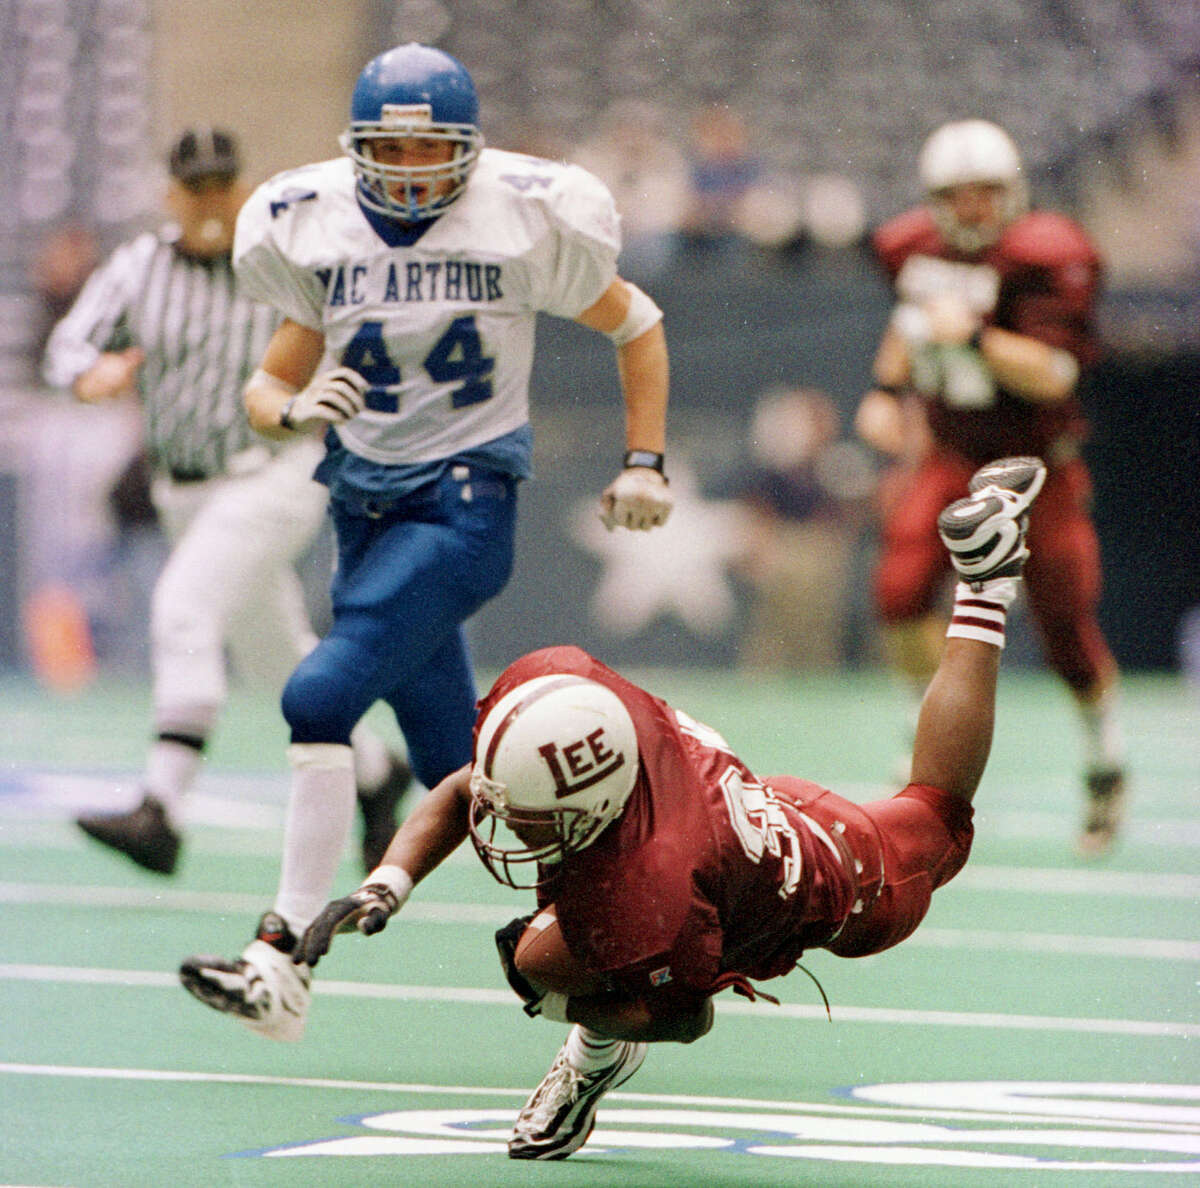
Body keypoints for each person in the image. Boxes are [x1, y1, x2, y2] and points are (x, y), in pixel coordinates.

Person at [290, 456, 1044, 1161]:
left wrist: (572, 1010)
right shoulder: (561, 691)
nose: (506, 823)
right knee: (575, 939)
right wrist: (387, 882)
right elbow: (466, 785)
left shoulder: (656, 885)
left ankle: (985, 586)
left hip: (836, 880)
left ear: (594, 813)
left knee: (938, 813)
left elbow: (687, 1019)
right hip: (744, 813)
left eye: (532, 818)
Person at [177, 44, 674, 1038]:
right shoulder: (314, 226)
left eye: (426, 146)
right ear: (355, 147)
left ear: (468, 149)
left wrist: (644, 461)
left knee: (318, 694)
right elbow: (267, 386)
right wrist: (292, 406)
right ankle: (605, 937)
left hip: (463, 502)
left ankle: (281, 957)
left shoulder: (520, 216)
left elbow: (638, 320)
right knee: (458, 756)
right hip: (360, 506)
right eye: (387, 146)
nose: (406, 166)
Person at [43, 127, 410, 877]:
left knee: (184, 608)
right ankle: (377, 772)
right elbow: (67, 345)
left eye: (222, 186)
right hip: (183, 488)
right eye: (196, 188)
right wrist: (91, 375)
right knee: (276, 661)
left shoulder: (273, 256)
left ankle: (162, 807)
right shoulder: (139, 266)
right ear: (172, 194)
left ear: (239, 189)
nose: (211, 202)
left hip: (271, 470)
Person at [853, 119, 1127, 857]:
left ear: (1014, 194)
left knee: (1066, 627)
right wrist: (887, 387)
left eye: (987, 194)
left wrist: (971, 335)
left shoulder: (1050, 256)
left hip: (1038, 465)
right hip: (950, 454)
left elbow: (1055, 373)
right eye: (957, 195)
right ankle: (925, 719)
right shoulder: (911, 245)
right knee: (899, 592)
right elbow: (908, 321)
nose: (973, 209)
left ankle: (1105, 757)